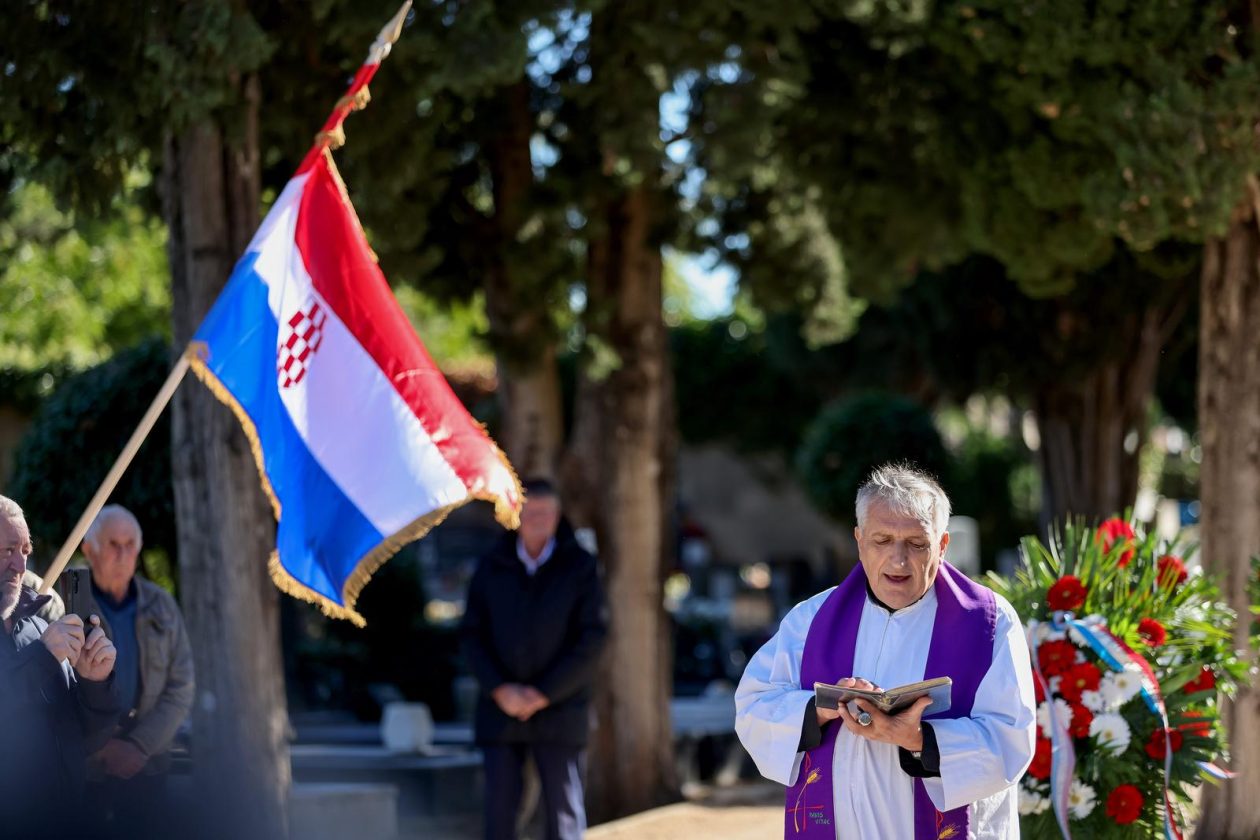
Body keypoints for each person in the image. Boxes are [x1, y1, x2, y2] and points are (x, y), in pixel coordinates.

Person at [735, 464, 1036, 839]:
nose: (898, 559)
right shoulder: (811, 620)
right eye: (882, 541)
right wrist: (820, 709)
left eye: (916, 543)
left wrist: (917, 738)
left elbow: (1011, 740)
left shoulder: (988, 623)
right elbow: (753, 707)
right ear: (859, 540)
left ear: (942, 545)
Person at [461, 478, 607, 840]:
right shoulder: (492, 564)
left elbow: (592, 637)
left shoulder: (580, 567)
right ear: (515, 515)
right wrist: (500, 690)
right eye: (530, 512)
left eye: (546, 512)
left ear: (558, 516)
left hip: (561, 707)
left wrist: (543, 693)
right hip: (501, 710)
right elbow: (471, 635)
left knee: (563, 813)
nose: (538, 520)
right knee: (498, 813)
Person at [0, 495, 119, 837]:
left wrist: (95, 681)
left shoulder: (39, 627)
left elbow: (88, 737)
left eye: (25, 551)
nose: (21, 567)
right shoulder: (44, 643)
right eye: (8, 550)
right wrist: (42, 656)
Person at [78, 505, 195, 837]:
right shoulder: (66, 604)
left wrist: (139, 747)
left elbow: (181, 686)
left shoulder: (162, 605)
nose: (123, 554)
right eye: (114, 544)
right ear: (90, 550)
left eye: (131, 545)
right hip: (84, 773)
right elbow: (53, 688)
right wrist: (100, 748)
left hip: (149, 767)